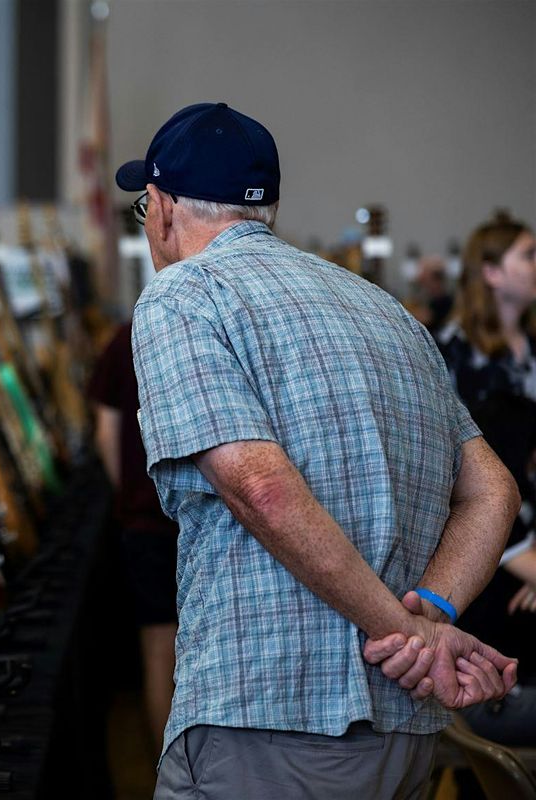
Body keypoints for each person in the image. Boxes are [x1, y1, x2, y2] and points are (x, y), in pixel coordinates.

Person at [117, 102, 520, 799]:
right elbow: (494, 491)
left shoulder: (183, 296)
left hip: (268, 717)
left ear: (159, 205)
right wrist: (428, 620)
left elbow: (260, 487)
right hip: (405, 729)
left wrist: (403, 633)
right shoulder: (384, 308)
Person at [435, 211, 536, 745]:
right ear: (492, 272)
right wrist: (526, 564)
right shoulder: (451, 355)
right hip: (486, 552)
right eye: (529, 255)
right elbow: (463, 484)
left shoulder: (533, 350)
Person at [87, 322, 178, 754]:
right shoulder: (222, 323)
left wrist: (127, 497)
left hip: (147, 521)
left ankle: (168, 770)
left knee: (160, 649)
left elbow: (105, 431)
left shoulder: (127, 334)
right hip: (217, 517)